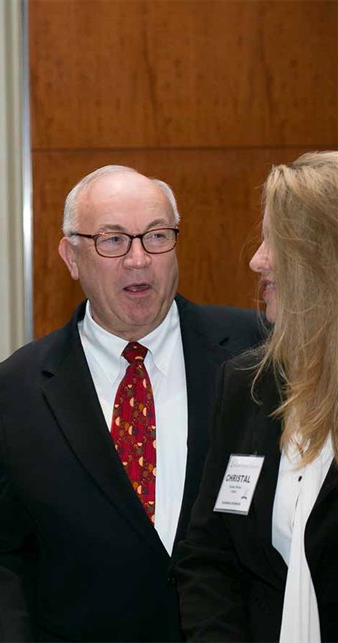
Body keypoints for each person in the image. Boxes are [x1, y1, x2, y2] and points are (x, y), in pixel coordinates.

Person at [0, 165, 264, 641]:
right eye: (114, 240)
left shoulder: (257, 353)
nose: (139, 259)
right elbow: (1, 557)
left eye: (157, 236)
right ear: (71, 256)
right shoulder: (15, 390)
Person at [176, 151, 337, 641]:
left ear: (323, 259)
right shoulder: (250, 383)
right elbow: (210, 554)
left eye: (275, 242)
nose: (256, 259)